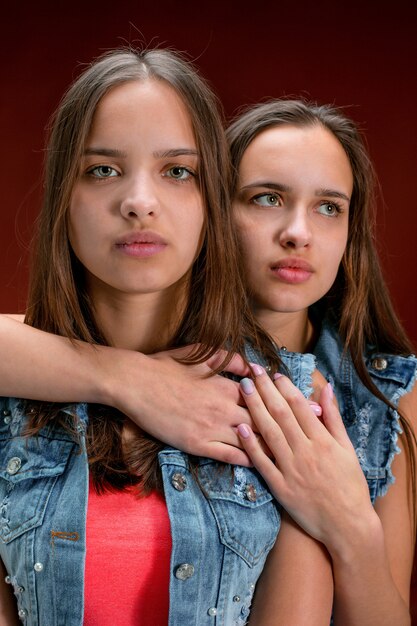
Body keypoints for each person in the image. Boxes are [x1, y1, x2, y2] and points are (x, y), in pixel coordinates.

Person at [0, 50, 334, 626]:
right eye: (102, 169)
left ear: (214, 202)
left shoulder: (283, 400)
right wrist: (126, 378)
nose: (139, 202)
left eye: (178, 171)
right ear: (63, 197)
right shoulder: (11, 394)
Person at [226, 99, 417, 624]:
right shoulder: (152, 361)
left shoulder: (387, 395)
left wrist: (349, 525)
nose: (298, 232)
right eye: (267, 198)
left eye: (328, 207)